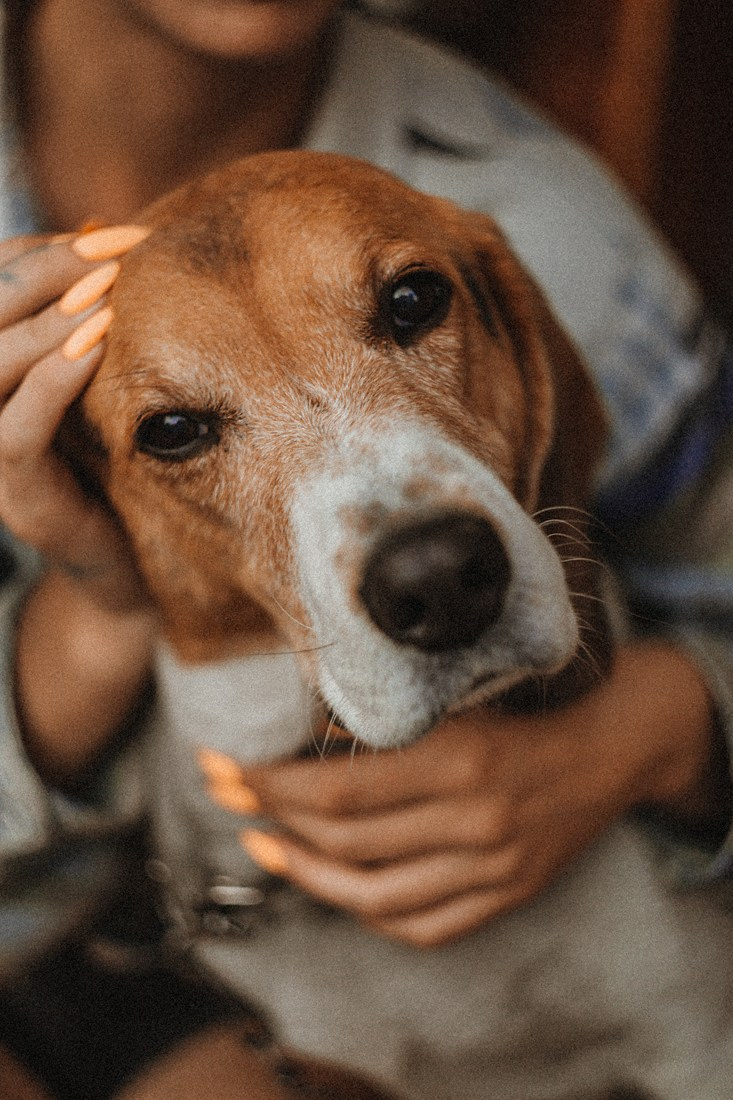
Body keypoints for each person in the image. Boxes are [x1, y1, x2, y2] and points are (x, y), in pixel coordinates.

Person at [0, 0, 731, 1096]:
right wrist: (99, 602)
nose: (414, 546)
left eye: (405, 304)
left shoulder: (546, 224)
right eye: (181, 427)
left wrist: (653, 734)